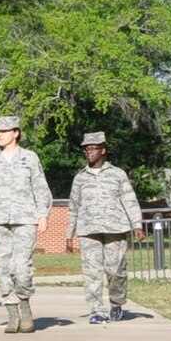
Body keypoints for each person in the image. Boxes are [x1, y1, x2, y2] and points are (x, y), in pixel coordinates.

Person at [0, 114, 53, 334]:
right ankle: (11, 312)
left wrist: (43, 214)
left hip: (25, 219)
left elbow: (40, 186)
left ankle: (25, 308)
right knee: (3, 268)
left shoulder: (30, 158)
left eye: (4, 131)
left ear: (15, 133)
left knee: (22, 267)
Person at [67, 131, 144, 325]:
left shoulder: (117, 174)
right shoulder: (80, 178)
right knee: (91, 272)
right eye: (86, 149)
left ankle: (117, 302)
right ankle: (97, 310)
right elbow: (73, 206)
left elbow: (129, 200)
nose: (89, 152)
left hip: (115, 229)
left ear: (103, 150)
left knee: (116, 270)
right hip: (88, 230)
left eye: (93, 149)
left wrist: (137, 224)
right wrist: (69, 234)